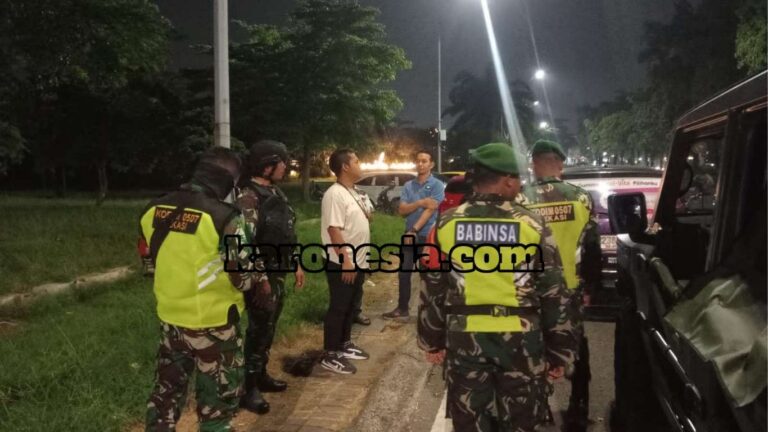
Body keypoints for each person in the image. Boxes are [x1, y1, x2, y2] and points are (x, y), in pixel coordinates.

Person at [418, 142, 577, 432]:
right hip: (521, 340)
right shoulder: (532, 224)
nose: (520, 185)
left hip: (465, 339)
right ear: (507, 181)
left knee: (469, 421)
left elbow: (434, 286)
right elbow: (553, 291)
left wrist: (432, 340)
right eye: (518, 179)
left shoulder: (447, 223)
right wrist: (559, 350)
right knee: (521, 422)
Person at [138, 147, 270, 432]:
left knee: (165, 397)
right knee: (217, 405)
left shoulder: (153, 209)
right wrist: (260, 280)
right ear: (226, 181)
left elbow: (149, 264)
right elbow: (241, 278)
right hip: (215, 325)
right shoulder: (225, 218)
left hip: (171, 321)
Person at [518, 139, 601, 432]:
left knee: (534, 344)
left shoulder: (520, 199)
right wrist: (591, 287)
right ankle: (578, 407)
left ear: (534, 164)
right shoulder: (581, 198)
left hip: (531, 288)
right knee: (576, 345)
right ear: (561, 164)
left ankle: (539, 407)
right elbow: (592, 247)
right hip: (570, 287)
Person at [236, 140, 306, 414]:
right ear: (267, 165)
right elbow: (246, 243)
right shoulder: (248, 197)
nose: (285, 167)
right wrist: (261, 278)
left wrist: (296, 263)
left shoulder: (275, 192)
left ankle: (261, 374)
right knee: (258, 330)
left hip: (278, 271)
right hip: (260, 277)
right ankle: (248, 387)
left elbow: (288, 230)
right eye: (282, 162)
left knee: (269, 327)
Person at [320, 148, 372, 374]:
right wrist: (346, 261)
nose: (361, 165)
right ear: (345, 167)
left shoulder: (353, 192)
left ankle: (344, 343)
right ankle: (330, 354)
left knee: (351, 305)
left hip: (358, 260)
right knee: (339, 307)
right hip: (342, 261)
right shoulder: (334, 194)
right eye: (357, 161)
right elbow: (334, 230)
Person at [383, 149, 444, 321]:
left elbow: (430, 209)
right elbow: (402, 210)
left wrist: (414, 230)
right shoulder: (409, 185)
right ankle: (402, 308)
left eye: (424, 161)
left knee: (428, 275)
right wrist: (420, 202)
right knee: (404, 272)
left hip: (427, 236)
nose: (420, 164)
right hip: (409, 235)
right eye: (418, 161)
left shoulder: (437, 185)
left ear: (431, 164)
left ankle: (429, 311)